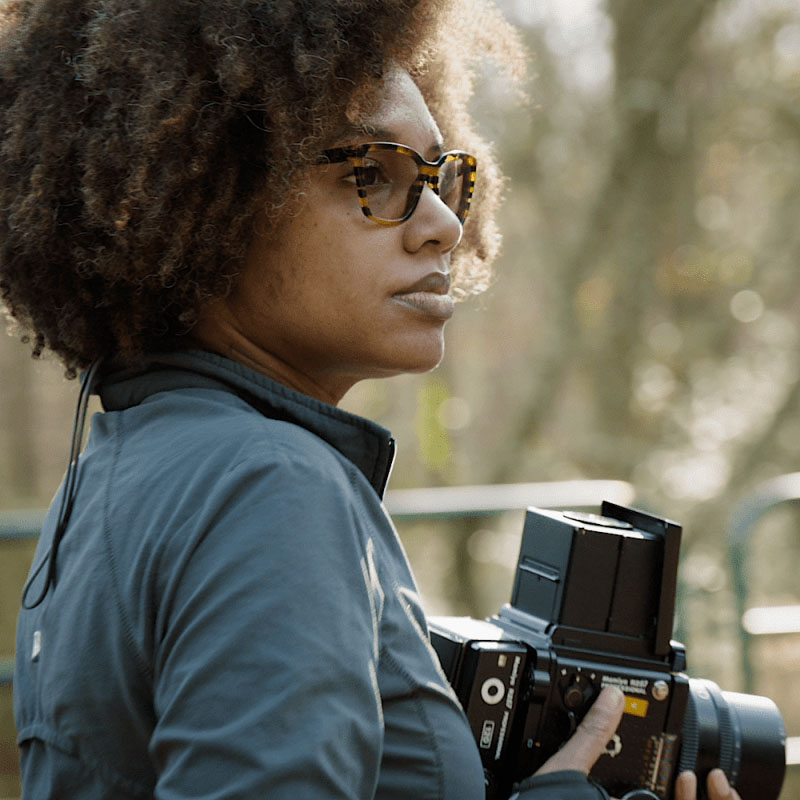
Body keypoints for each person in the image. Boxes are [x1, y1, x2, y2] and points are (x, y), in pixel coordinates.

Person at [0, 1, 741, 798]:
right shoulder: (269, 484)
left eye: (444, 177)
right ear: (207, 191)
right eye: (370, 175)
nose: (444, 226)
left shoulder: (115, 471)